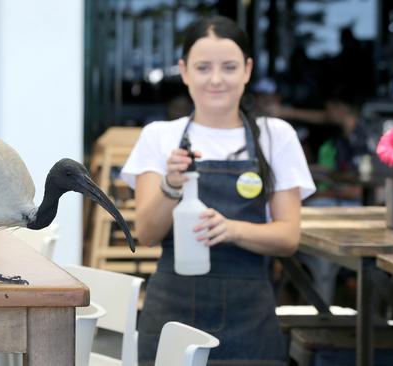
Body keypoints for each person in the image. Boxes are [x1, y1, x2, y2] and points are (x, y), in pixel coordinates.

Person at [121, 16, 316, 365]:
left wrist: (231, 229)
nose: (215, 79)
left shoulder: (276, 136)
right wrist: (170, 186)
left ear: (247, 70)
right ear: (184, 71)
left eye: (228, 67)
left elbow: (288, 237)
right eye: (203, 67)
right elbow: (147, 234)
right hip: (171, 314)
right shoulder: (159, 137)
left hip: (251, 319)